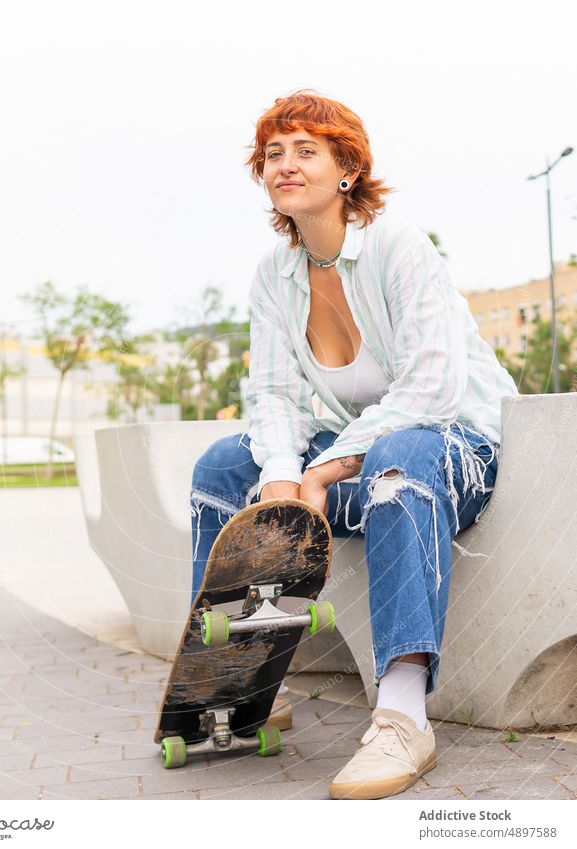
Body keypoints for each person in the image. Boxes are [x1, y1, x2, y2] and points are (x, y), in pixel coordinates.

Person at [189, 89, 519, 800]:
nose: (284, 163)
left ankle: (402, 717)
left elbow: (430, 386)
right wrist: (282, 473)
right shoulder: (272, 277)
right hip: (359, 450)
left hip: (456, 444)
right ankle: (244, 679)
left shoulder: (400, 248)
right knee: (222, 467)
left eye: (304, 149)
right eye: (272, 153)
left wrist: (325, 467)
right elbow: (272, 394)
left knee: (401, 460)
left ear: (346, 170)